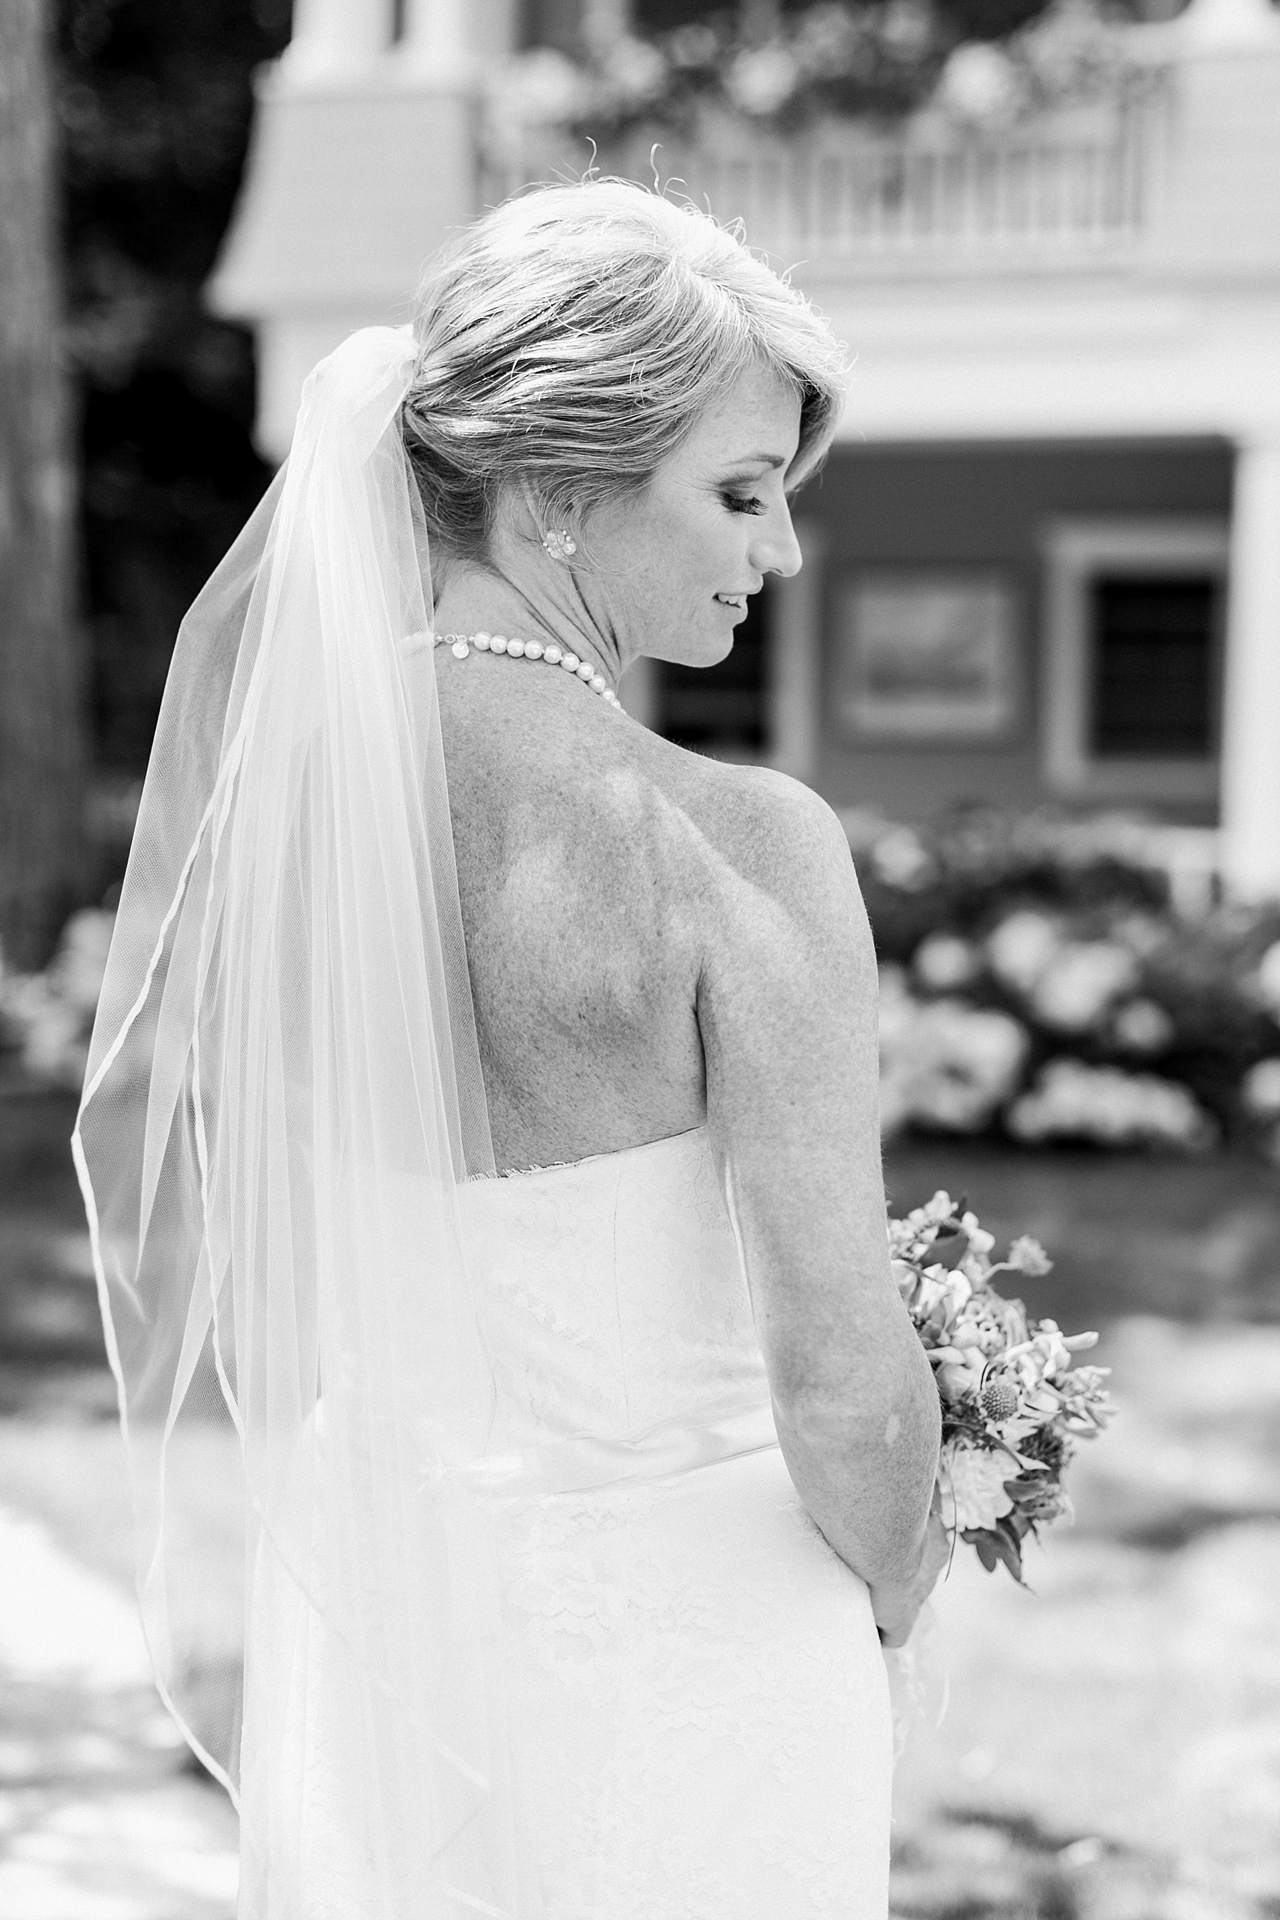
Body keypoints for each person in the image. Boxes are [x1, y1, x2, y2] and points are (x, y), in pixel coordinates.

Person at [73, 179, 944, 1919]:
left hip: (387, 1620)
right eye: (744, 494)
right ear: (556, 495)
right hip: (693, 1649)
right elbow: (843, 1381)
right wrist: (919, 1555)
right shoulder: (740, 842)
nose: (777, 554)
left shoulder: (285, 825)